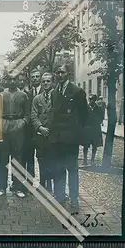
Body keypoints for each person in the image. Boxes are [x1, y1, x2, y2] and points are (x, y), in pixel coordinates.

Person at [50, 63, 88, 209]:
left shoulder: (77, 91)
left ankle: (73, 198)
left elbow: (84, 116)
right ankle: (59, 195)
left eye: (62, 72)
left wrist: (77, 134)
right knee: (58, 168)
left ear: (68, 74)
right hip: (57, 137)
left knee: (72, 169)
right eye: (57, 72)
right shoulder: (55, 92)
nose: (60, 75)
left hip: (70, 138)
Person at [0, 73, 29, 197]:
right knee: (3, 157)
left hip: (18, 125)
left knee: (17, 157)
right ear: (7, 80)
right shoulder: (1, 95)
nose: (13, 81)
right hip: (4, 124)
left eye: (15, 79)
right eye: (10, 79)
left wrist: (23, 122)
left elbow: (27, 113)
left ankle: (17, 186)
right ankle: (2, 187)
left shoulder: (23, 95)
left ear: (19, 80)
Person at [31, 72, 54, 193]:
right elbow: (33, 115)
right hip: (40, 135)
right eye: (44, 81)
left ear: (52, 82)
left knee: (52, 159)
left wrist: (51, 129)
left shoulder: (57, 97)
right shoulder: (37, 98)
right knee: (41, 159)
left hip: (53, 135)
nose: (45, 83)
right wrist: (40, 127)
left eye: (48, 81)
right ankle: (43, 182)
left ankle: (51, 184)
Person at [82, 94, 104, 166]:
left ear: (95, 100)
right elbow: (82, 117)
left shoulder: (99, 108)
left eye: (92, 99)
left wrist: (96, 123)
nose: (90, 101)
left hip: (95, 130)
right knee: (85, 145)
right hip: (87, 129)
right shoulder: (85, 108)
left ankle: (92, 160)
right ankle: (85, 160)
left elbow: (101, 118)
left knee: (94, 146)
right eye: (89, 99)